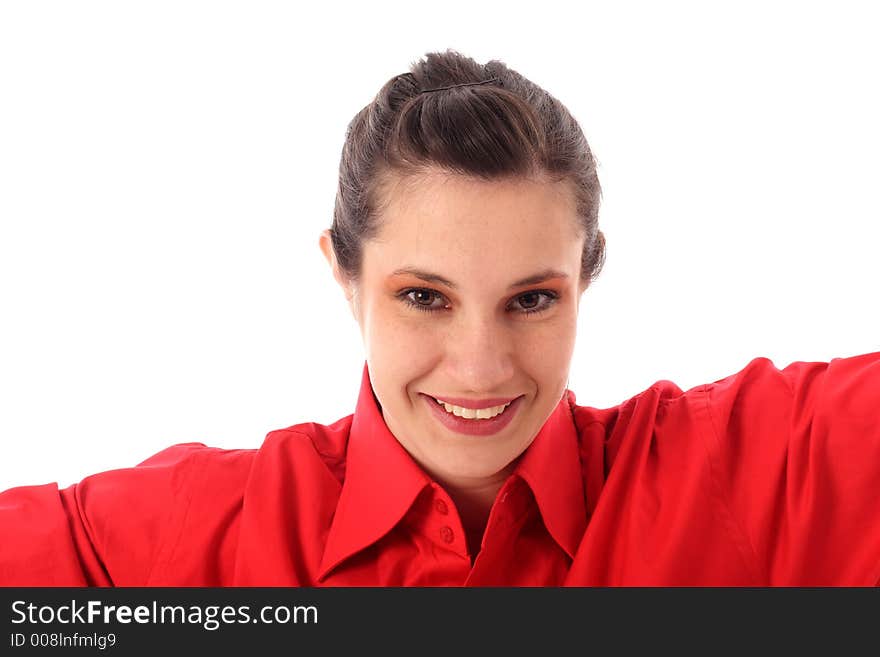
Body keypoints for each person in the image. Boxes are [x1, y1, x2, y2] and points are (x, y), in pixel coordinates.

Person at [1, 49, 878, 586]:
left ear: (585, 278)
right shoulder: (200, 534)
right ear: (345, 275)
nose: (481, 366)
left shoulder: (745, 479)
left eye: (532, 299)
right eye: (425, 296)